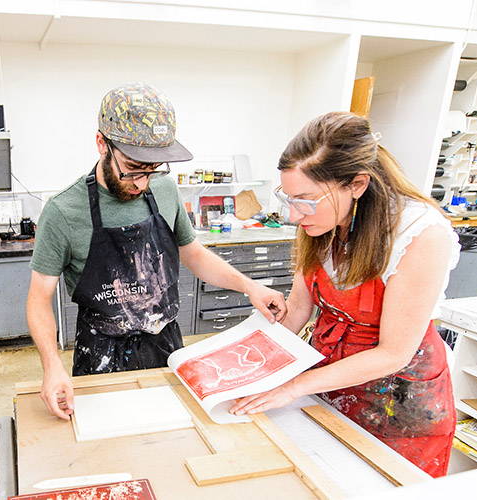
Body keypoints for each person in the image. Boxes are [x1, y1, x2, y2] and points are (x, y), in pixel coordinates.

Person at [26, 83, 288, 420]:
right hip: (101, 349)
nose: (142, 183)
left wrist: (250, 286)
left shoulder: (164, 190)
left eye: (153, 170)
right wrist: (51, 365)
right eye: (133, 168)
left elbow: (193, 254)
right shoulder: (64, 211)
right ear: (102, 144)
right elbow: (38, 298)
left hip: (166, 342)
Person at [228, 112, 458, 477]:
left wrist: (292, 387)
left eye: (304, 199)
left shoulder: (419, 233)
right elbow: (298, 311)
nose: (293, 215)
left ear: (357, 184)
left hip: (397, 402)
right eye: (288, 198)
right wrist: (240, 363)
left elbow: (393, 354)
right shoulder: (323, 223)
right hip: (328, 379)